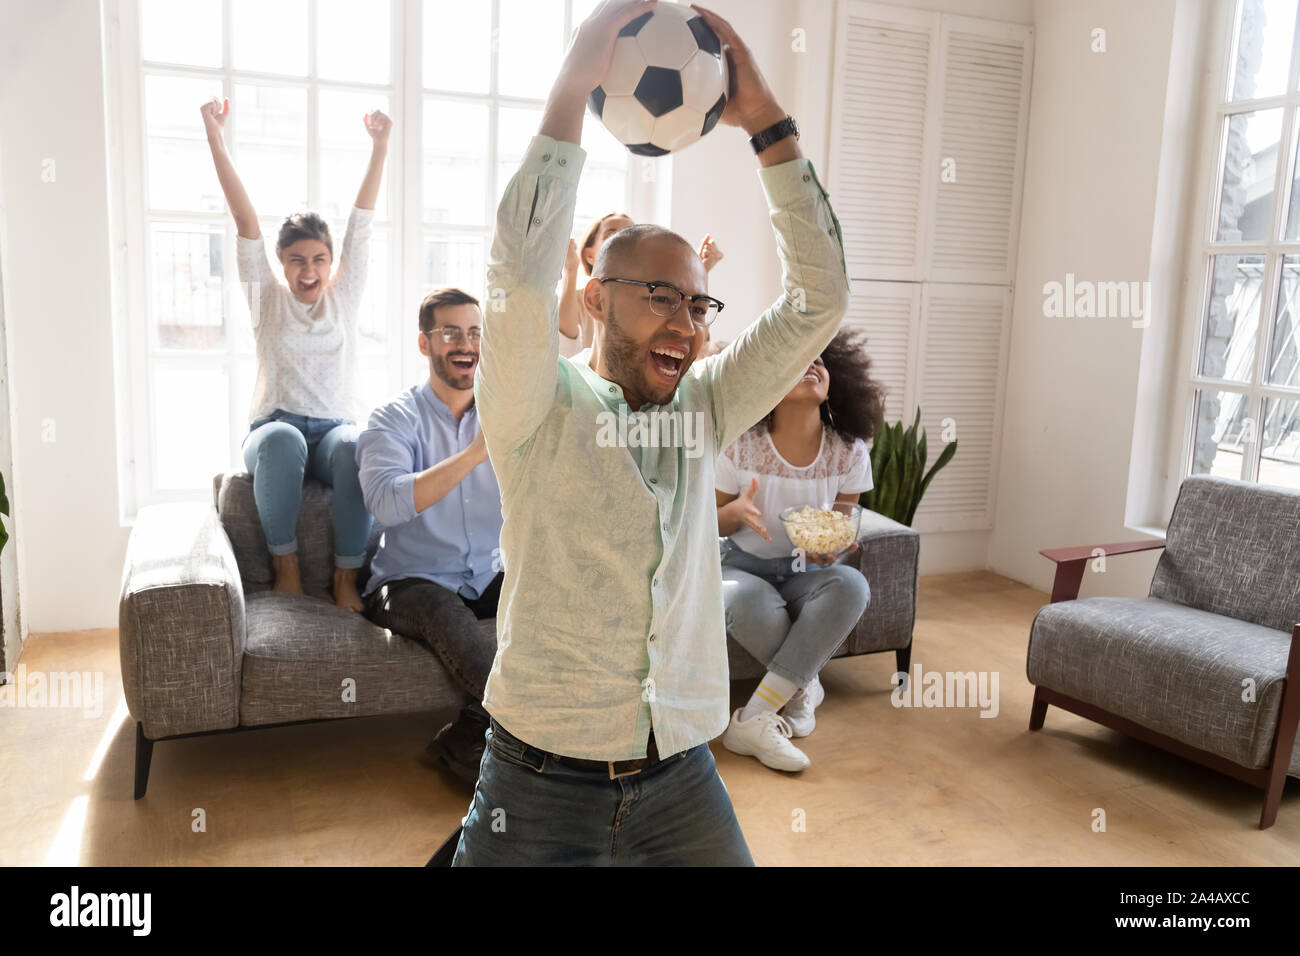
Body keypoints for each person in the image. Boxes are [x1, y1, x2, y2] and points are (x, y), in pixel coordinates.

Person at [453, 0, 850, 866]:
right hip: (537, 780)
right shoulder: (534, 405)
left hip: (680, 775)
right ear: (595, 298)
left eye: (698, 302)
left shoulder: (703, 405)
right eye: (659, 295)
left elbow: (820, 299)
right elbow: (516, 273)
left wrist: (766, 125)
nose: (688, 324)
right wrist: (574, 80)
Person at [201, 97, 390, 612]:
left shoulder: (343, 299)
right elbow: (244, 220)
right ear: (281, 264)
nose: (309, 271)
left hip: (333, 429)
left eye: (319, 260)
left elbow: (362, 224)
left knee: (357, 444)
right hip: (274, 428)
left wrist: (380, 148)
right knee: (283, 439)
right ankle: (285, 567)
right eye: (297, 261)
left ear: (332, 262)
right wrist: (216, 139)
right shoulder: (267, 299)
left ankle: (344, 576)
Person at [715, 327, 883, 772]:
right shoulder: (740, 445)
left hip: (805, 571)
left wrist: (836, 547)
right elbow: (705, 523)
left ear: (835, 384)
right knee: (741, 599)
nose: (812, 365)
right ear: (769, 379)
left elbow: (843, 523)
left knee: (852, 585)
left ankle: (752, 719)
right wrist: (734, 513)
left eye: (821, 361)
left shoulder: (849, 452)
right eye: (797, 359)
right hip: (741, 565)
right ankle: (801, 686)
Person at [356, 288, 503, 783]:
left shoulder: (506, 415)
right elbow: (387, 502)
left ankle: (467, 740)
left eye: (475, 332)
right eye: (451, 333)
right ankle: (530, 756)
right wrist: (474, 455)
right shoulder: (393, 419)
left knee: (564, 616)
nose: (467, 344)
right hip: (410, 581)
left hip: (488, 572)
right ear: (425, 344)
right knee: (453, 623)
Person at [558, 214, 723, 355]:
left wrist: (701, 273)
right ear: (589, 255)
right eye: (612, 236)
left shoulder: (654, 295)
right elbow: (566, 347)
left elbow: (695, 347)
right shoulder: (578, 300)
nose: (625, 247)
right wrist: (571, 271)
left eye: (630, 237)